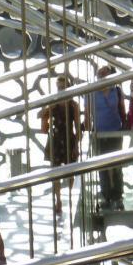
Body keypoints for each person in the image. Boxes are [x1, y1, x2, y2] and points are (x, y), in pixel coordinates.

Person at [85, 65, 127, 210]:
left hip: (115, 131)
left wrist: (126, 127)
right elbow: (88, 114)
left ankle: (118, 196)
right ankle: (106, 196)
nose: (101, 76)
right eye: (100, 74)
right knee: (102, 166)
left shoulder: (117, 91)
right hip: (99, 133)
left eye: (104, 73)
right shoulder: (91, 93)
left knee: (116, 165)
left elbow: (122, 110)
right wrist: (88, 131)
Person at [40, 74, 82, 216]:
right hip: (56, 140)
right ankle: (58, 200)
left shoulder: (73, 105)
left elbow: (77, 127)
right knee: (55, 173)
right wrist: (49, 108)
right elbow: (40, 117)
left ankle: (69, 196)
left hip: (69, 139)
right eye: (58, 87)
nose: (60, 90)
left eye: (62, 87)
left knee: (70, 173)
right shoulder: (54, 104)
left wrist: (77, 146)